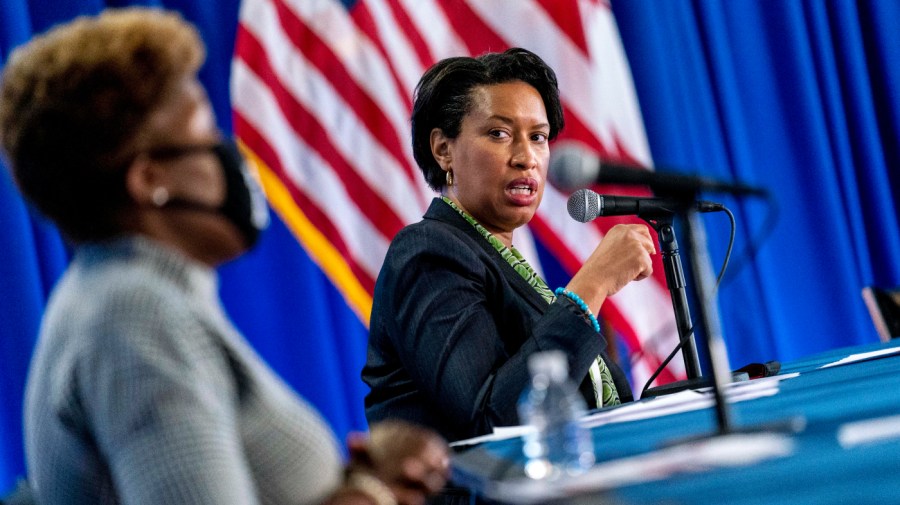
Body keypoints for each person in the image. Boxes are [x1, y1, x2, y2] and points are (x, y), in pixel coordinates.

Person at [0, 8, 448, 505]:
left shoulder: (125, 294)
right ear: (151, 180)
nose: (230, 157)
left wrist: (358, 478)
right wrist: (375, 490)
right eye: (206, 134)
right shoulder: (135, 320)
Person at [362, 48, 657, 443]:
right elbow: (492, 419)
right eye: (499, 133)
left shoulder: (502, 262)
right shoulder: (427, 251)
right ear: (443, 149)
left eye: (538, 137)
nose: (526, 158)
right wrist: (593, 284)